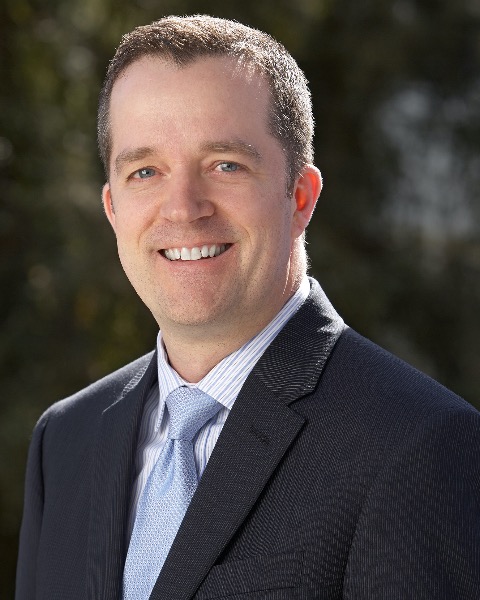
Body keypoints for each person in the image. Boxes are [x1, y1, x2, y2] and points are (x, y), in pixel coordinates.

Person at [16, 15, 480, 600]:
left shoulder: (419, 444)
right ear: (113, 208)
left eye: (225, 165)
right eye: (146, 172)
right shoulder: (65, 440)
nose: (182, 208)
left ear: (301, 196)